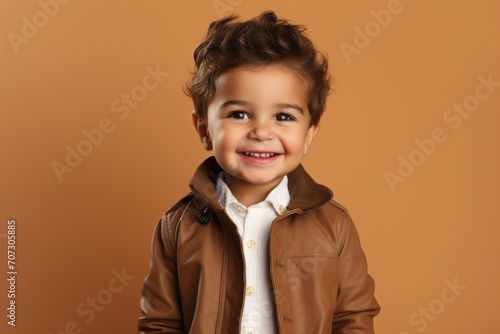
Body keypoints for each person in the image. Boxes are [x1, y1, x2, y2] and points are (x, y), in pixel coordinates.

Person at [138, 11, 380, 334]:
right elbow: (160, 323)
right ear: (204, 129)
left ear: (309, 134)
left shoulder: (334, 226)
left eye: (283, 117)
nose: (261, 132)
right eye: (239, 114)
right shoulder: (176, 228)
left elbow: (354, 318)